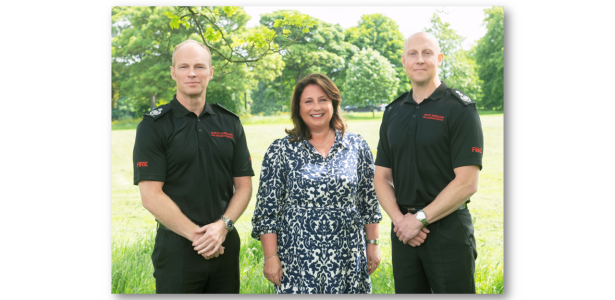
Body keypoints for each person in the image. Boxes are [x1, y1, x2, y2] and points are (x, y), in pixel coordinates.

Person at [132, 39, 254, 293]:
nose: (191, 73)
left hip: (225, 245)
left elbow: (243, 186)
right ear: (173, 72)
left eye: (199, 66)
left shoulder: (230, 123)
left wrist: (223, 227)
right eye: (184, 66)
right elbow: (151, 195)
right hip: (177, 249)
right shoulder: (153, 126)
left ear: (210, 72)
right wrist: (201, 239)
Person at [251, 73, 382, 294]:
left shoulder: (357, 146)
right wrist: (270, 257)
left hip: (348, 254)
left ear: (333, 103)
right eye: (308, 101)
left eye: (323, 100)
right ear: (298, 107)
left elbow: (369, 201)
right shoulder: (280, 150)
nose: (316, 107)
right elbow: (267, 211)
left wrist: (373, 244)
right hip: (297, 258)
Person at [374, 32, 484, 293]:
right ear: (403, 61)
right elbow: (381, 177)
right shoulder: (393, 111)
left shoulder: (460, 109)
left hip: (448, 230)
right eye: (412, 53)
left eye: (427, 53)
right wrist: (402, 222)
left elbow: (467, 182)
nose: (419, 59)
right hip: (403, 232)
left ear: (440, 59)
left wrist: (419, 220)